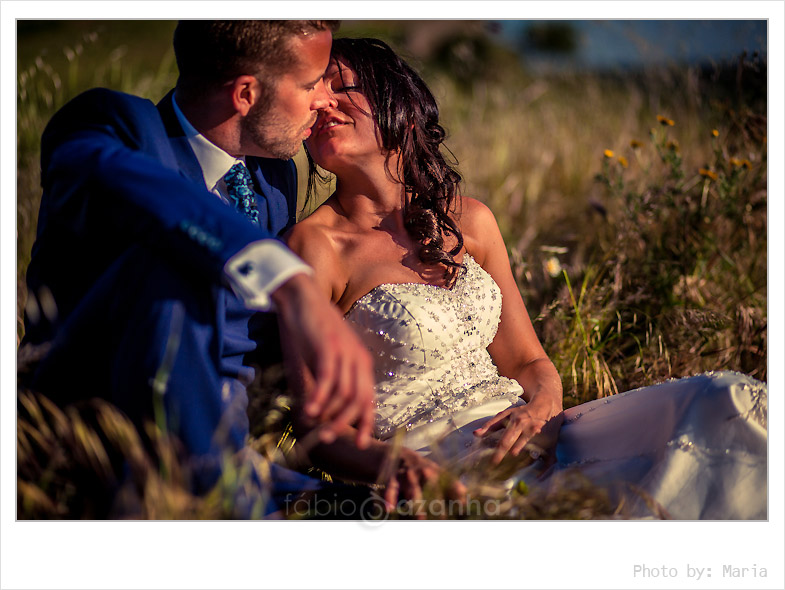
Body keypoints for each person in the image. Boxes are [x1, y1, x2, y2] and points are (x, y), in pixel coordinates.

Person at [284, 37, 768, 519]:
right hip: (446, 471)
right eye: (313, 91)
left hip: (541, 430)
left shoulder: (470, 221)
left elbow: (529, 361)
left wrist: (541, 410)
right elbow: (316, 428)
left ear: (397, 101)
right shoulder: (318, 246)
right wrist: (400, 467)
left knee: (727, 401)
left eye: (340, 86)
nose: (322, 102)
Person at [21, 21, 377, 517]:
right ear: (246, 93)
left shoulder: (272, 176)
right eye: (310, 82)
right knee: (174, 259)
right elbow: (112, 174)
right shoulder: (113, 127)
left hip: (243, 469)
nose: (323, 100)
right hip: (101, 450)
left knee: (401, 514)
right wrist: (287, 278)